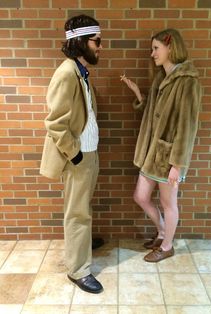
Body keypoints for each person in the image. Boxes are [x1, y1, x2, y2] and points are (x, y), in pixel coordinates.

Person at [121, 28, 201, 263]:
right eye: (152, 48)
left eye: (156, 48)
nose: (152, 53)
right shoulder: (161, 78)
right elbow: (154, 114)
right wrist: (138, 94)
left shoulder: (187, 82)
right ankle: (163, 232)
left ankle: (167, 246)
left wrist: (178, 164)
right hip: (151, 155)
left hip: (169, 158)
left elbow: (187, 127)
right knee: (140, 196)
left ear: (170, 47)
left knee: (168, 203)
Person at [40, 14, 103, 293]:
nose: (100, 46)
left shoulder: (80, 70)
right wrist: (75, 154)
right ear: (80, 42)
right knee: (77, 213)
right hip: (78, 156)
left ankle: (82, 243)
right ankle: (78, 269)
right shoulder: (66, 73)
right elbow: (55, 122)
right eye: (96, 41)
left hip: (89, 153)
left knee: (83, 208)